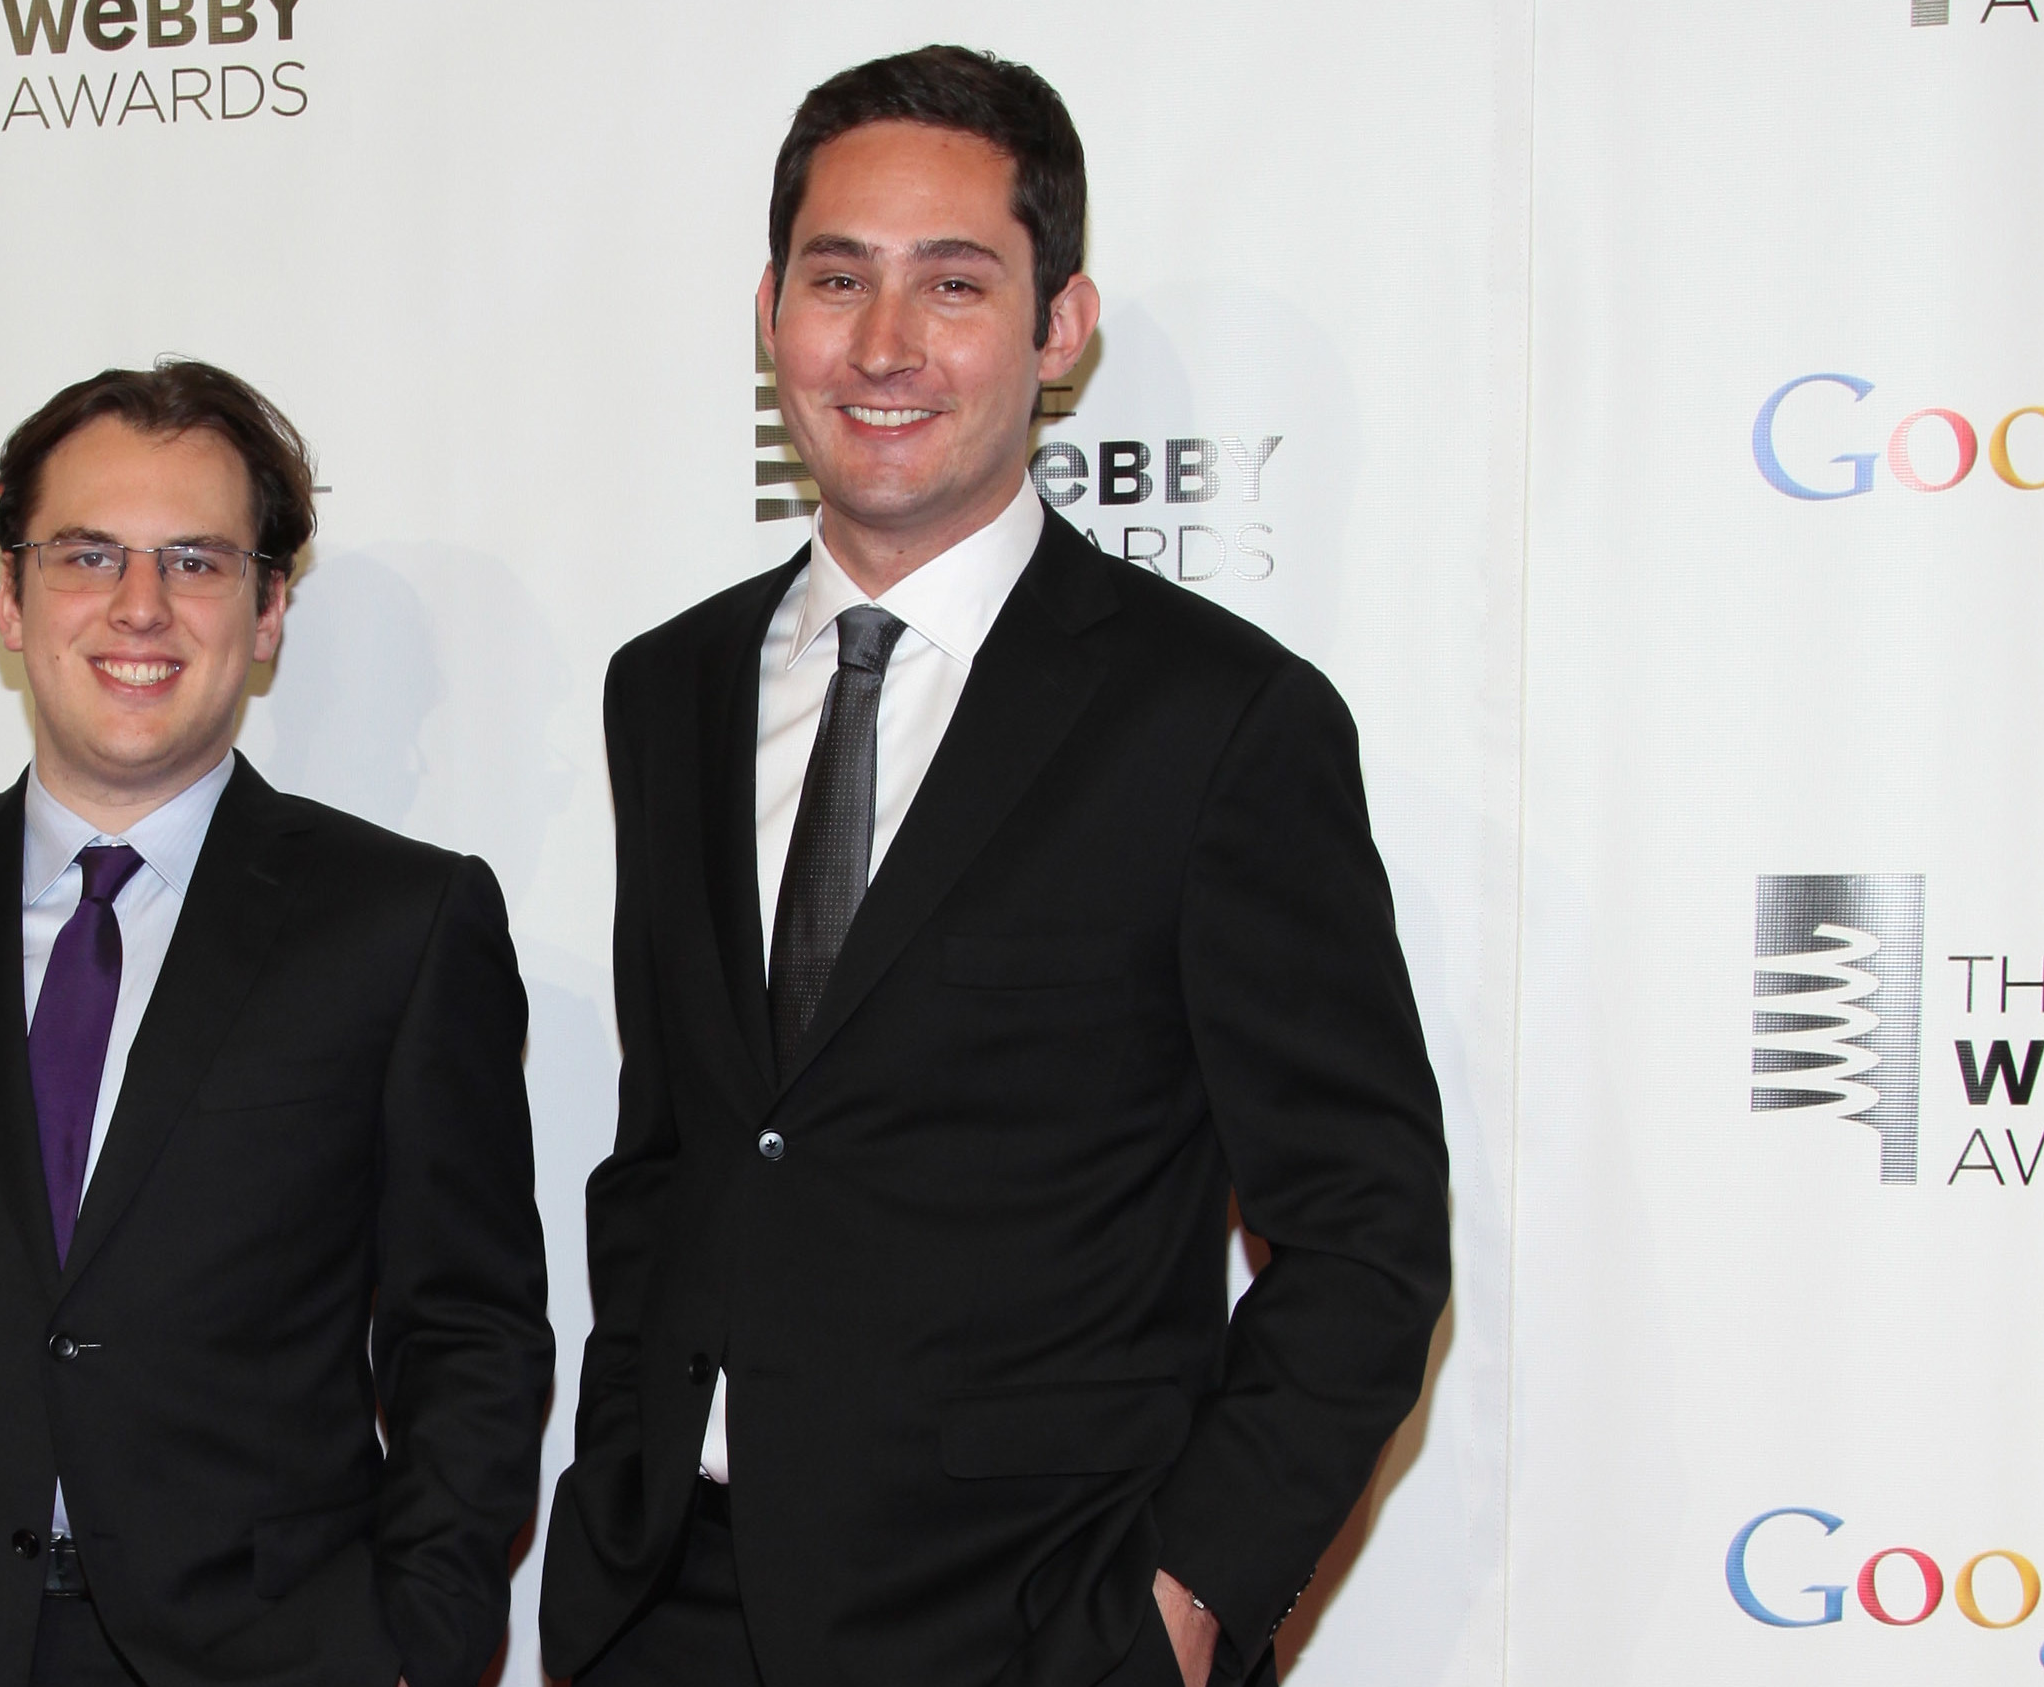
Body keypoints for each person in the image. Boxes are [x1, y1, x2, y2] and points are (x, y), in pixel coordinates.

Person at [540, 46, 1449, 1687]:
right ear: (771, 313)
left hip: (1035, 1621)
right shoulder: (665, 689)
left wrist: (1180, 1609)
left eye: (955, 285)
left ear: (1059, 328)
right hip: (665, 1609)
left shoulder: (1219, 719)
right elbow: (683, 1150)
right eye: (839, 280)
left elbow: (1369, 1238)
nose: (884, 347)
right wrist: (614, 1502)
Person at [0, 360, 554, 1687]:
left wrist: (412, 1642)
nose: (139, 607)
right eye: (88, 554)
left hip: (268, 1652)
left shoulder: (402, 928)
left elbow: (469, 1335)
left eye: (196, 562)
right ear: (11, 602)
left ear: (267, 614)